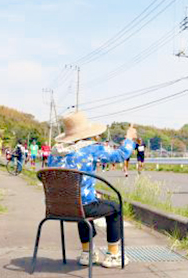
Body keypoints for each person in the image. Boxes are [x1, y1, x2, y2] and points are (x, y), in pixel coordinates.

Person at [48, 111, 136, 267]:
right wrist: (129, 138)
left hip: (56, 208)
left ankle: (87, 253)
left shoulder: (54, 153)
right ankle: (113, 255)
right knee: (115, 208)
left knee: (77, 202)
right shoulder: (91, 149)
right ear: (87, 134)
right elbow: (120, 155)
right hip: (83, 207)